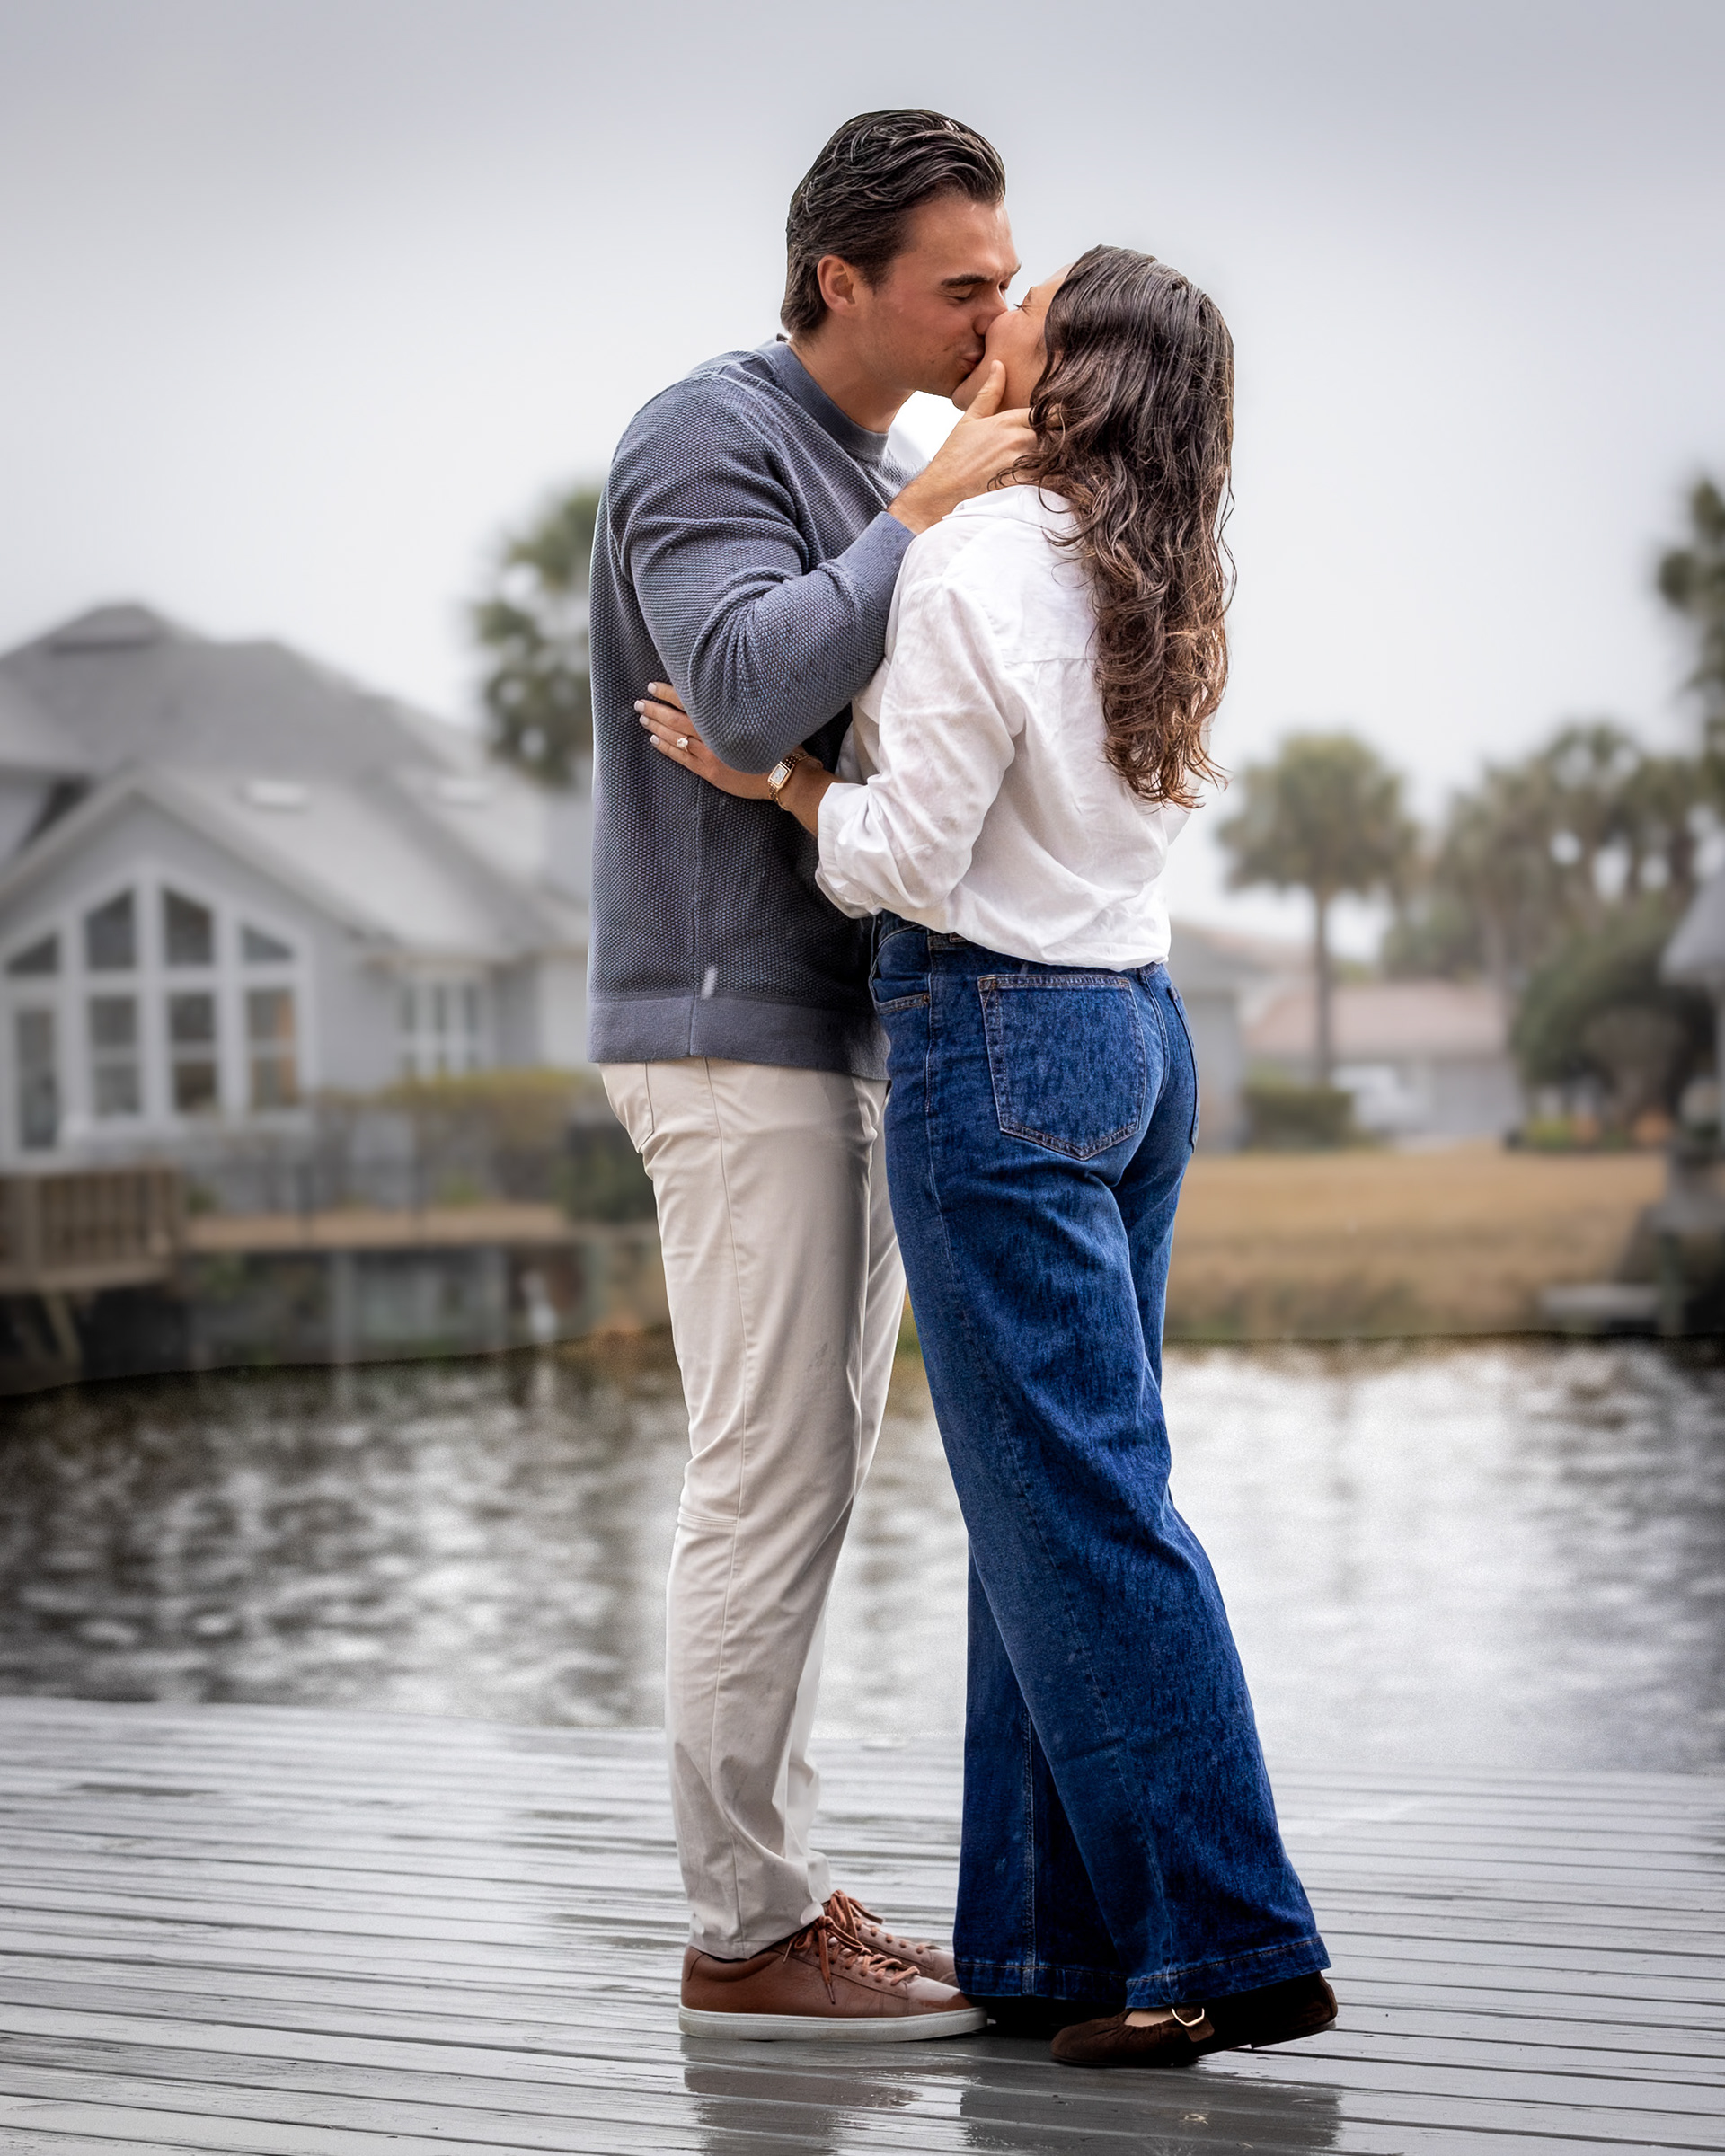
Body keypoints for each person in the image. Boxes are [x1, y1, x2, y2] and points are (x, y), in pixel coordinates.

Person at [640, 245, 1337, 2068]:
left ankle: (1222, 1944)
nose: (992, 318)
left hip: (999, 1039)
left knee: (1080, 1509)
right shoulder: (1155, 571)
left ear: (1070, 366)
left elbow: (902, 857)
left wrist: (781, 789)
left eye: (1028, 302)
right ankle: (1047, 1947)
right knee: (1052, 1506)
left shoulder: (968, 562)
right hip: (1138, 1043)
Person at [588, 110, 1035, 2038]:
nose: (992, 313)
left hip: (831, 1027)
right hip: (725, 1031)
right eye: (964, 285)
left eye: (1005, 280)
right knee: (765, 1487)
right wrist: (924, 520)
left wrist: (933, 494)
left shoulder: (877, 460)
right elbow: (751, 682)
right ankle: (741, 1939)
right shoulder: (707, 438)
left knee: (814, 1486)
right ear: (836, 277)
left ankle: (778, 1892)